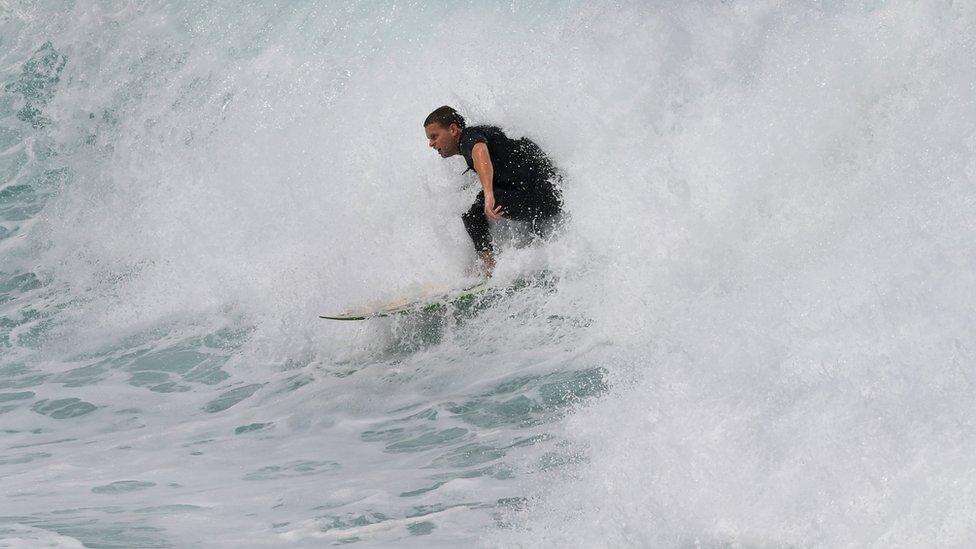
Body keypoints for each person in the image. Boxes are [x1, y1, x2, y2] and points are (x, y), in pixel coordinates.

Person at [424, 106, 563, 277]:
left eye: (434, 136)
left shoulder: (469, 138)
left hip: (545, 198)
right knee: (473, 199)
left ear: (453, 129)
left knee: (469, 206)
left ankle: (488, 266)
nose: (431, 144)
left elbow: (479, 150)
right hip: (554, 193)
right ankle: (533, 250)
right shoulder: (483, 133)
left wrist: (489, 195)